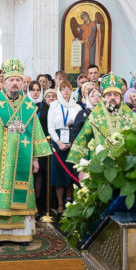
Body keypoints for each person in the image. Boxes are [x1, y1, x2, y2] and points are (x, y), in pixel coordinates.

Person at [0, 58, 51, 244]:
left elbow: (36, 133)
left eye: (18, 80)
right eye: (11, 80)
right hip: (1, 160)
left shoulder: (29, 107)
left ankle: (21, 235)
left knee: (22, 194)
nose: (15, 83)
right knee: (1, 193)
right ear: (4, 82)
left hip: (24, 160)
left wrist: (35, 158)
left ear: (22, 83)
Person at [68, 75, 136, 167]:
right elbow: (82, 140)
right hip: (100, 166)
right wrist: (81, 168)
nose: (112, 97)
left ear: (121, 97)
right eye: (109, 95)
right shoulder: (95, 116)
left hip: (125, 165)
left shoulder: (130, 116)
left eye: (116, 95)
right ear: (103, 97)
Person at [47, 79, 82, 213]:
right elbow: (50, 128)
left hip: (72, 139)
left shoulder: (77, 107)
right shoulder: (54, 105)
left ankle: (69, 202)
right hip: (58, 140)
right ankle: (60, 205)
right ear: (59, 91)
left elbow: (80, 127)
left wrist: (71, 143)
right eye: (62, 89)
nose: (66, 91)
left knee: (71, 173)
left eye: (68, 88)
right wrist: (59, 143)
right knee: (59, 174)